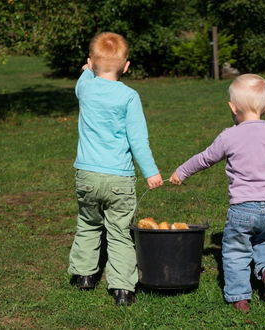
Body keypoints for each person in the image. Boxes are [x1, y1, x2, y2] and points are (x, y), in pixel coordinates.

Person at [169, 74, 265, 312]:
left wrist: (182, 172)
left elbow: (205, 158)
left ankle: (240, 297)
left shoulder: (229, 135)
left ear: (232, 107)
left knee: (236, 251)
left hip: (242, 209)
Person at [68, 32, 163, 306]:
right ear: (126, 66)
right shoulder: (129, 96)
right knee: (120, 231)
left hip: (86, 174)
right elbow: (138, 140)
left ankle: (84, 275)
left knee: (87, 223)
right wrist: (151, 172)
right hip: (119, 177)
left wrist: (88, 70)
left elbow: (83, 78)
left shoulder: (85, 88)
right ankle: (122, 288)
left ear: (90, 62)